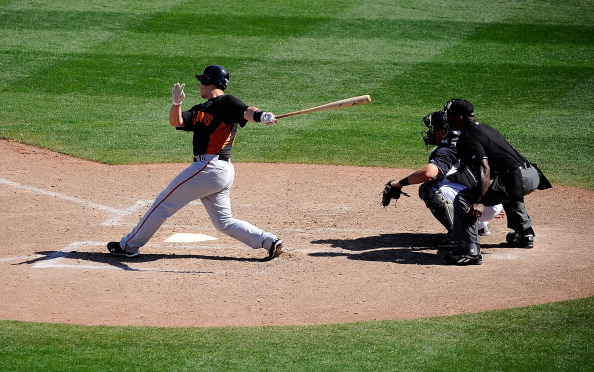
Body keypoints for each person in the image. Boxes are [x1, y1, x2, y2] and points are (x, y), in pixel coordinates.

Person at [107, 65, 284, 259]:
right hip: (218, 172)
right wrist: (176, 103)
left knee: (163, 203)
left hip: (210, 167)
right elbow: (178, 122)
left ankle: (129, 246)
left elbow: (247, 112)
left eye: (202, 81)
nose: (199, 85)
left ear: (211, 83)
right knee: (223, 222)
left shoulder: (227, 102)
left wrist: (262, 115)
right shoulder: (200, 109)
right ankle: (269, 241)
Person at [441, 98, 552, 265]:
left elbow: (484, 168)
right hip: (532, 174)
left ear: (460, 118)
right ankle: (525, 234)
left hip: (516, 178)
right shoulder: (487, 128)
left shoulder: (468, 135)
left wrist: (479, 201)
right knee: (507, 188)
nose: (448, 121)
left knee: (464, 199)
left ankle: (470, 250)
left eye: (450, 117)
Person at [385, 111, 503, 249]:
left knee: (430, 187)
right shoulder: (472, 138)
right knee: (449, 177)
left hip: (481, 205)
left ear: (442, 131)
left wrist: (399, 184)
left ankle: (458, 236)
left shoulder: (447, 149)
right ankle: (480, 226)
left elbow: (428, 173)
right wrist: (495, 200)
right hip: (495, 198)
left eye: (432, 129)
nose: (429, 133)